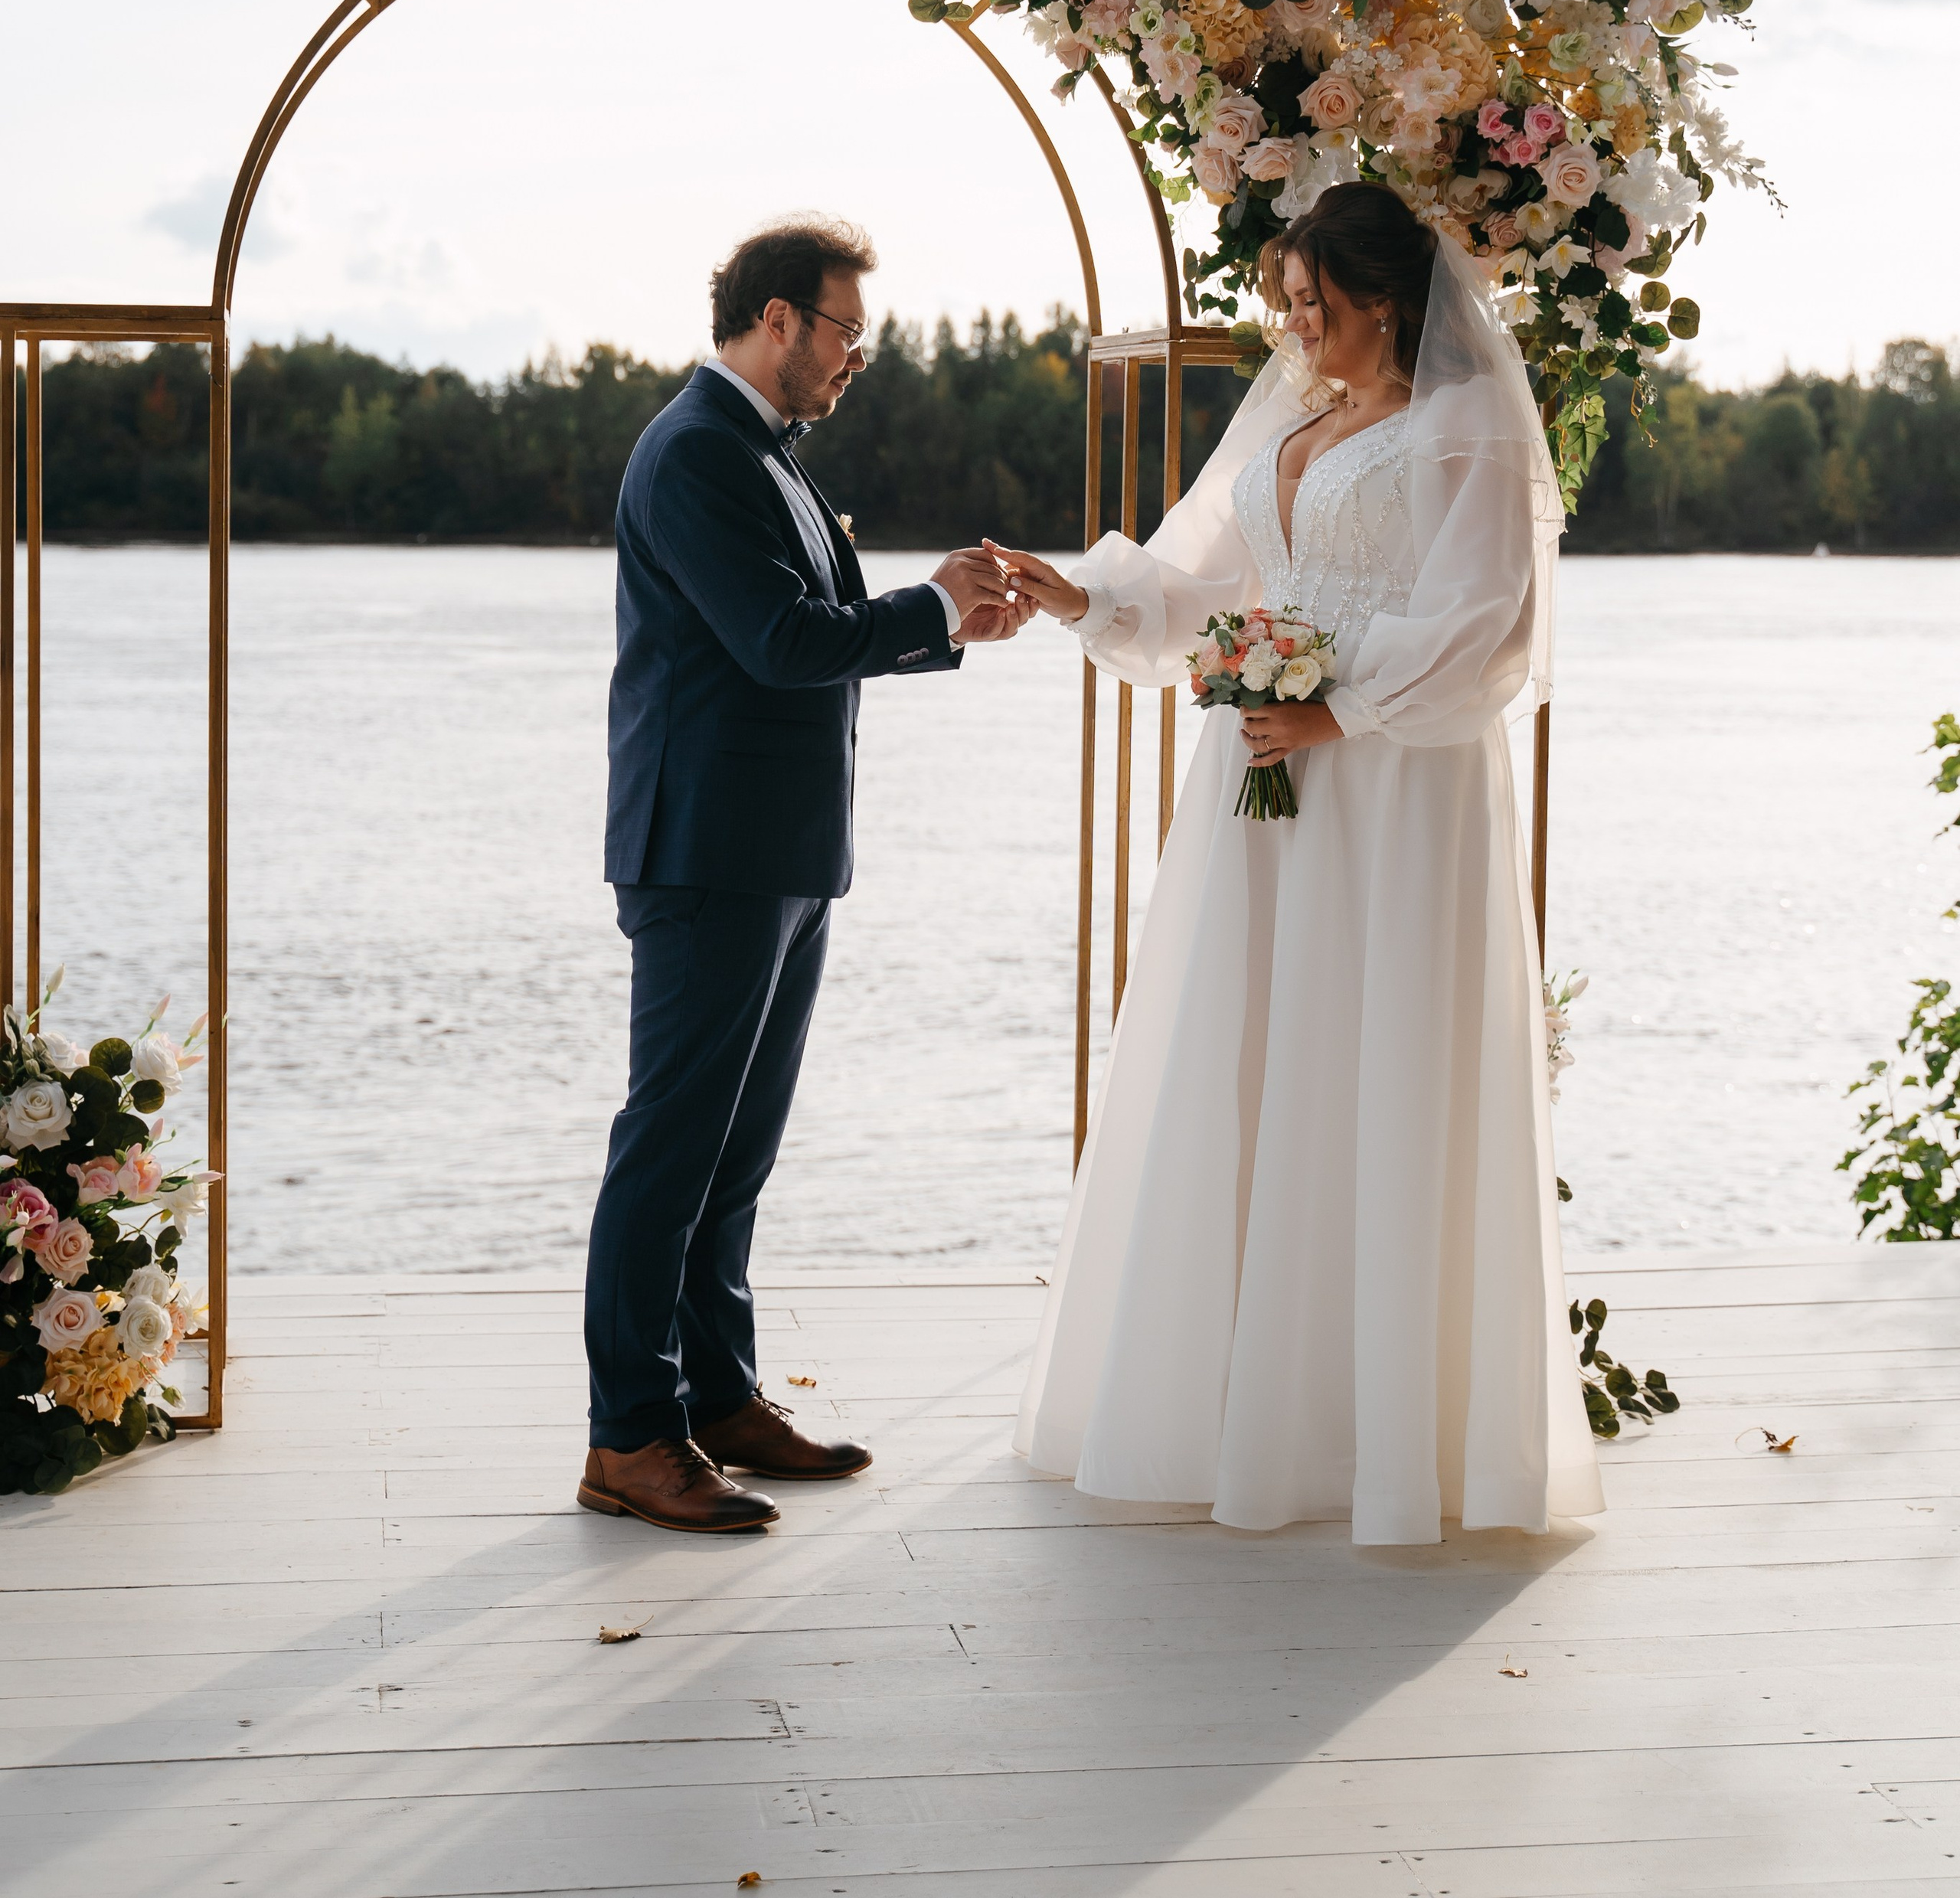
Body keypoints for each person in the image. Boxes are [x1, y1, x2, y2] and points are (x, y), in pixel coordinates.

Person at [992, 182, 1602, 1545]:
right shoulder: (1287, 413)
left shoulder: (1470, 425)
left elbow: (1486, 620)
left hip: (1391, 783)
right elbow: (1204, 576)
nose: (1296, 321)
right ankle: (1227, 1405)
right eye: (1287, 298)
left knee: (1374, 1061)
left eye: (1317, 299)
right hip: (1261, 773)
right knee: (1247, 1053)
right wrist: (1078, 591)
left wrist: (1343, 706)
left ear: (1387, 295)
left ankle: (1381, 1434)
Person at [580, 214, 1027, 1535]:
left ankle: (718, 1398)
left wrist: (946, 624)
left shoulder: (763, 454)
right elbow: (780, 642)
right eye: (845, 331)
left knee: (735, 1156)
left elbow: (812, 635)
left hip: (779, 855)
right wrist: (935, 605)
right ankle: (627, 1437)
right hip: (707, 853)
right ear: (776, 317)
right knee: (667, 1153)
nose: (855, 358)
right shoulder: (694, 452)